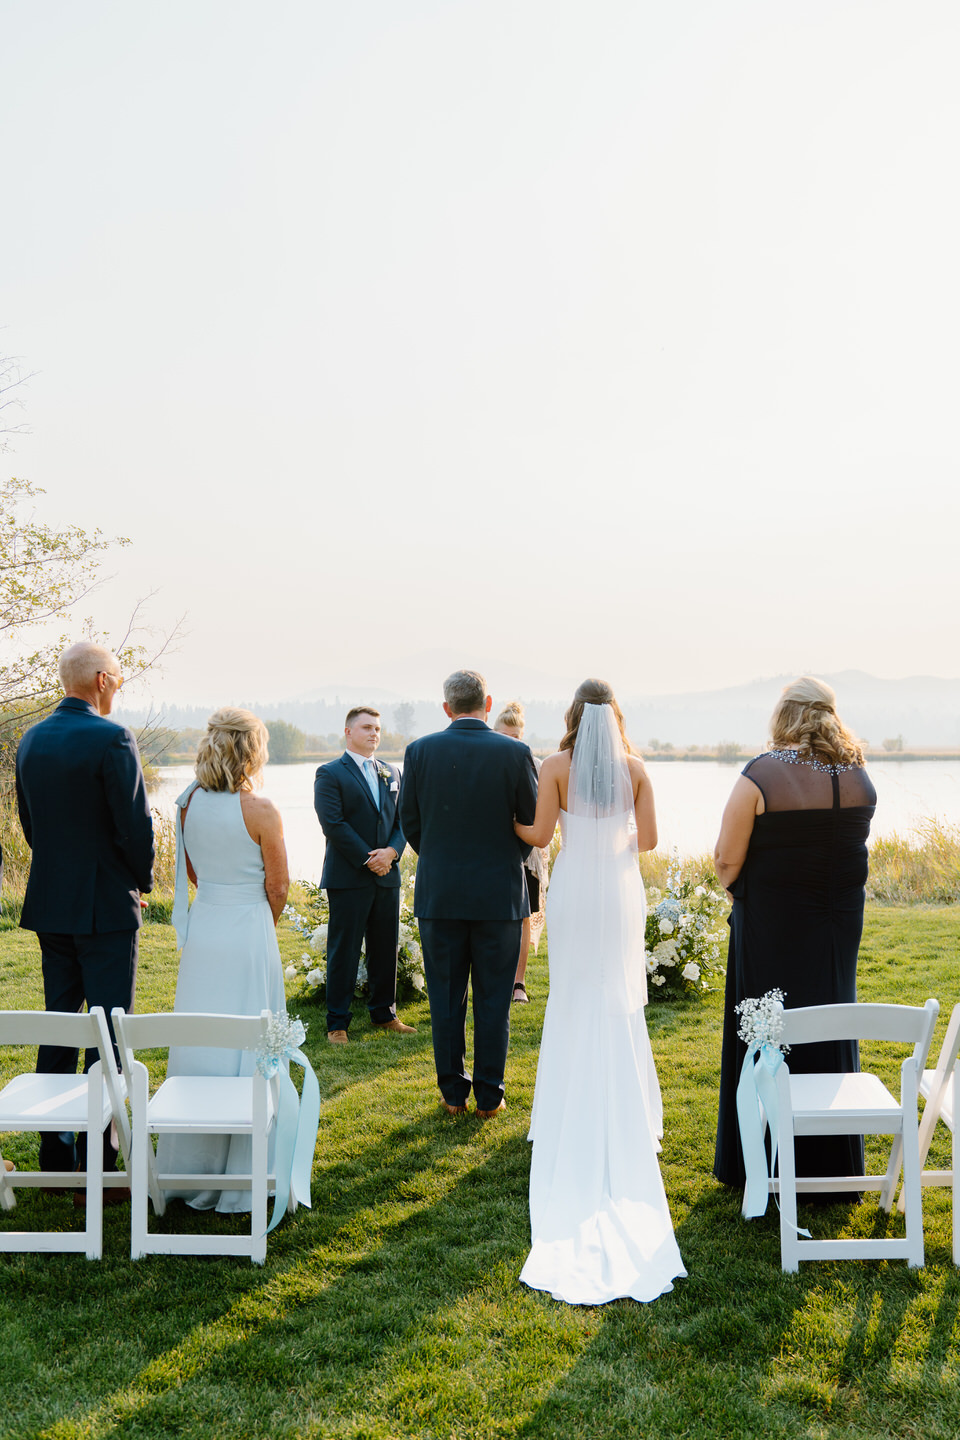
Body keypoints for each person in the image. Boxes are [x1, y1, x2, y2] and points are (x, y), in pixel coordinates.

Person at [514, 678, 686, 1304]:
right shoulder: (636, 768)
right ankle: (631, 1107)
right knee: (619, 997)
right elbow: (649, 841)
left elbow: (537, 836)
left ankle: (561, 1111)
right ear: (615, 718)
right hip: (617, 891)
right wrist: (610, 838)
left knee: (573, 995)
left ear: (573, 717)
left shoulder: (554, 765)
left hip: (574, 893)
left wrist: (513, 819)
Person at [713, 676, 877, 1191]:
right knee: (829, 1018)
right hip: (837, 925)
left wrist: (742, 888)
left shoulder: (762, 774)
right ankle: (833, 1165)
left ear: (785, 716)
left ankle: (757, 1166)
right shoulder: (856, 774)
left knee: (769, 1029)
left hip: (774, 926)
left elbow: (724, 860)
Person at [15, 640, 154, 1188]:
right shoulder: (113, 736)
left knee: (61, 1027)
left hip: (51, 902)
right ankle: (98, 1161)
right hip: (105, 907)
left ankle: (55, 1156)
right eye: (117, 678)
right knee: (111, 1034)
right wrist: (138, 883)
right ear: (100, 679)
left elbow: (30, 823)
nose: (118, 687)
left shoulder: (31, 738)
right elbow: (134, 826)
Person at [159, 708, 289, 1211]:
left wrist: (219, 897)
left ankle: (190, 1169)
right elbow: (277, 886)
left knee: (201, 1040)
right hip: (248, 928)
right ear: (251, 751)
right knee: (251, 1038)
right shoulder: (261, 809)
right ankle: (247, 1172)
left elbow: (192, 872)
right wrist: (260, 920)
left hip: (206, 926)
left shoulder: (187, 804)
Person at [399, 670, 538, 1117]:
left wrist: (440, 857)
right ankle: (490, 1096)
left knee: (445, 996)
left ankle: (453, 1094)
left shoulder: (418, 751)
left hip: (440, 894)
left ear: (446, 708)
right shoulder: (515, 752)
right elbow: (531, 824)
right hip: (499, 894)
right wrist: (504, 856)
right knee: (495, 998)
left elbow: (411, 823)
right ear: (488, 702)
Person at [314, 705, 411, 1043]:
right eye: (367, 727)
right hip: (349, 875)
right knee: (344, 948)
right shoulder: (330, 773)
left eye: (378, 729)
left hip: (388, 873)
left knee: (386, 946)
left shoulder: (392, 772)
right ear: (348, 732)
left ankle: (384, 1014)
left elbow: (403, 821)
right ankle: (337, 1022)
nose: (374, 734)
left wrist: (392, 853)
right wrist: (368, 858)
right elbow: (333, 824)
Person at [493, 701, 548, 1003]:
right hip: (493, 852)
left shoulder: (536, 765)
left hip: (526, 854)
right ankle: (495, 978)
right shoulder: (488, 761)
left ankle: (518, 983)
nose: (510, 742)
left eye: (516, 737)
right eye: (504, 736)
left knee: (523, 916)